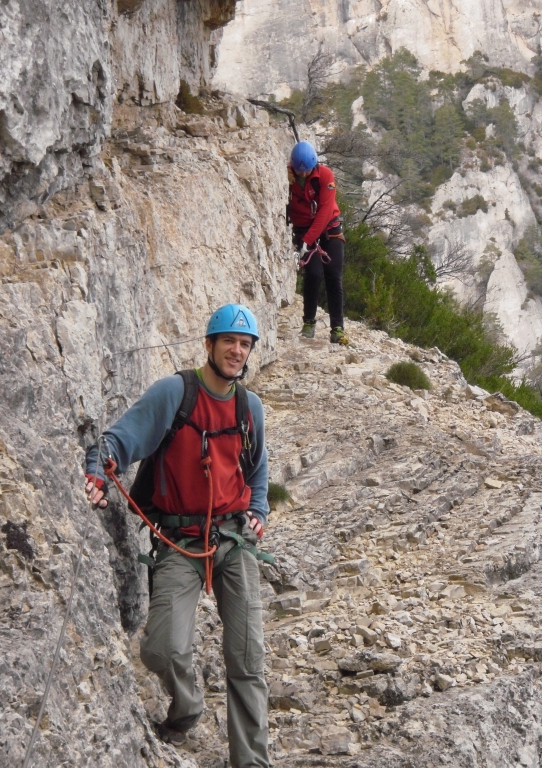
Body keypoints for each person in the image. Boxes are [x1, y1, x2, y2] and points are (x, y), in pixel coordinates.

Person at [84, 304, 270, 768]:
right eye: (228, 341)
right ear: (209, 344)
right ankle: (187, 708)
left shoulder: (250, 408)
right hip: (178, 541)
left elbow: (259, 472)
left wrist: (259, 510)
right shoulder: (175, 393)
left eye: (244, 344)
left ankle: (252, 762)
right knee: (161, 648)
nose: (236, 350)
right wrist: (98, 469)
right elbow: (119, 441)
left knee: (247, 660)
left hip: (232, 539)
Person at [287, 140, 349, 344]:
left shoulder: (325, 176)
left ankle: (337, 328)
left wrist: (307, 240)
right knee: (312, 275)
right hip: (304, 229)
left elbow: (324, 211)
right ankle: (309, 322)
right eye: (299, 172)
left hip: (329, 229)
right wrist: (303, 239)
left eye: (306, 172)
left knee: (333, 277)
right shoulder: (288, 176)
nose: (303, 175)